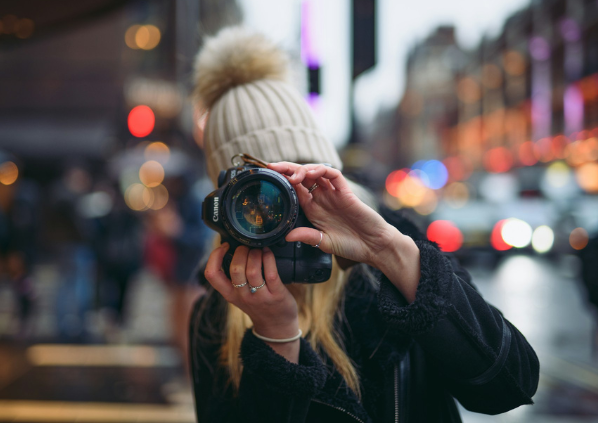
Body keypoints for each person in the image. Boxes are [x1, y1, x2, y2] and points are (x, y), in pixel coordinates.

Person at [189, 27, 539, 423]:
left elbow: (511, 384)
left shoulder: (395, 265)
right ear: (226, 207)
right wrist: (275, 333)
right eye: (256, 198)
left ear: (328, 173)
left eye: (300, 183)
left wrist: (392, 253)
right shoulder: (217, 313)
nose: (281, 211)